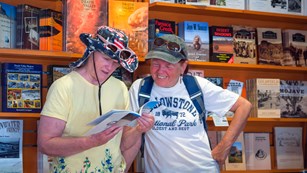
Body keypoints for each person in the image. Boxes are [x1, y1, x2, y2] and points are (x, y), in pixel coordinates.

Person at [37, 26, 154, 173]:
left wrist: (139, 129)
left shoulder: (120, 88)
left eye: (115, 63)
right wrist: (92, 141)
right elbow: (45, 145)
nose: (110, 67)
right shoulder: (63, 87)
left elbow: (124, 144)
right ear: (91, 51)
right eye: (106, 58)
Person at [128, 34, 252, 172]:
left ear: (183, 67)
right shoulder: (140, 88)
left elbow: (244, 106)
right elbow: (128, 137)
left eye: (168, 65)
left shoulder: (198, 86)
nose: (160, 71)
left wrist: (224, 146)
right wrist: (138, 129)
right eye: (156, 64)